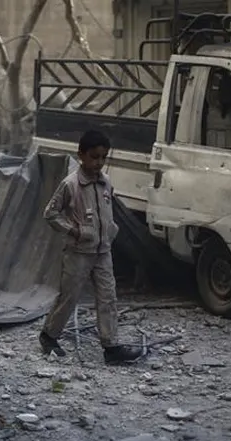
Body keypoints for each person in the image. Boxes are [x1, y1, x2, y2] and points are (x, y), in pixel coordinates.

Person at [40, 130, 145, 365]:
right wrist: (74, 230)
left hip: (103, 251)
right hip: (78, 252)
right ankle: (48, 336)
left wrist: (110, 230)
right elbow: (50, 214)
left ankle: (111, 347)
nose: (98, 163)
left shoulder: (105, 181)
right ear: (81, 155)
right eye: (94, 157)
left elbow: (107, 209)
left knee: (108, 298)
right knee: (69, 297)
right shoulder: (70, 185)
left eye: (103, 158)